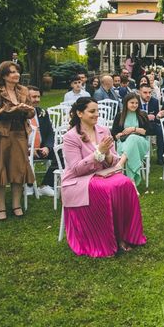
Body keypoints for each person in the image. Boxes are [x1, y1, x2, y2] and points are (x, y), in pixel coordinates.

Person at [62, 97, 146, 257]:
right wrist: (98, 152)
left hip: (102, 174)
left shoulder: (103, 131)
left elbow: (114, 160)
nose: (96, 115)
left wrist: (107, 154)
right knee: (106, 188)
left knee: (126, 183)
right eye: (92, 111)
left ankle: (125, 235)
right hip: (79, 181)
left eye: (97, 111)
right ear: (80, 113)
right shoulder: (71, 137)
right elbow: (77, 169)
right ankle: (106, 240)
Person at [0, 62, 35, 220]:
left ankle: (16, 204)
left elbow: (29, 112)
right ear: (4, 75)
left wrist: (29, 111)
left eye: (18, 72)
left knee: (18, 170)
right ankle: (1, 206)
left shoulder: (23, 90)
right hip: (1, 134)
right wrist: (16, 108)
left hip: (20, 133)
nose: (17, 74)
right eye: (13, 72)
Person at [111, 93, 151, 186]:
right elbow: (114, 134)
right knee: (131, 148)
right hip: (124, 143)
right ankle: (132, 182)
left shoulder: (143, 114)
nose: (134, 105)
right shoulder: (119, 116)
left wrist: (133, 129)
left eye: (136, 103)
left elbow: (148, 131)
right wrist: (121, 134)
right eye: (132, 103)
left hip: (141, 143)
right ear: (126, 103)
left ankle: (120, 164)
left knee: (133, 137)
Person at [26, 86, 57, 197]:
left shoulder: (42, 112)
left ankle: (45, 185)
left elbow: (50, 133)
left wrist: (47, 147)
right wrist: (29, 149)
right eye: (34, 97)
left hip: (42, 149)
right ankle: (28, 185)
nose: (37, 99)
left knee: (63, 153)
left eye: (38, 96)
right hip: (24, 150)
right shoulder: (19, 114)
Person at [138, 83, 164, 164]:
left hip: (151, 125)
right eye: (145, 93)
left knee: (161, 130)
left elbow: (156, 120)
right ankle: (141, 156)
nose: (148, 95)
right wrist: (145, 117)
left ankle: (160, 157)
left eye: (149, 92)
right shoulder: (135, 101)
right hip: (138, 125)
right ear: (140, 92)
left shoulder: (154, 101)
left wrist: (157, 117)